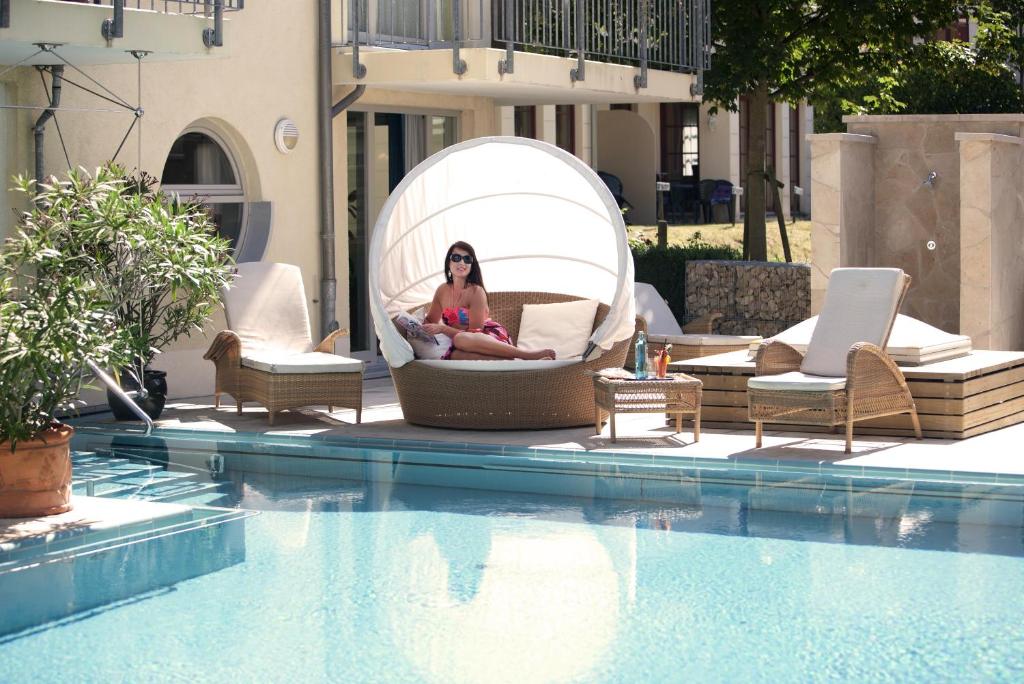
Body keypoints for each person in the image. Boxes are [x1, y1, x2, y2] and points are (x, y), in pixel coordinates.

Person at [422, 241, 555, 361]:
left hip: (486, 337)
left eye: (467, 259)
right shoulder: (442, 290)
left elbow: (475, 333)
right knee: (454, 356)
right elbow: (430, 320)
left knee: (460, 339)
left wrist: (443, 329)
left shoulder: (476, 292)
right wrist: (413, 326)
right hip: (460, 344)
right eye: (456, 258)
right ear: (448, 262)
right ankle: (514, 364)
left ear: (471, 265)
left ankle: (526, 355)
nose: (462, 263)